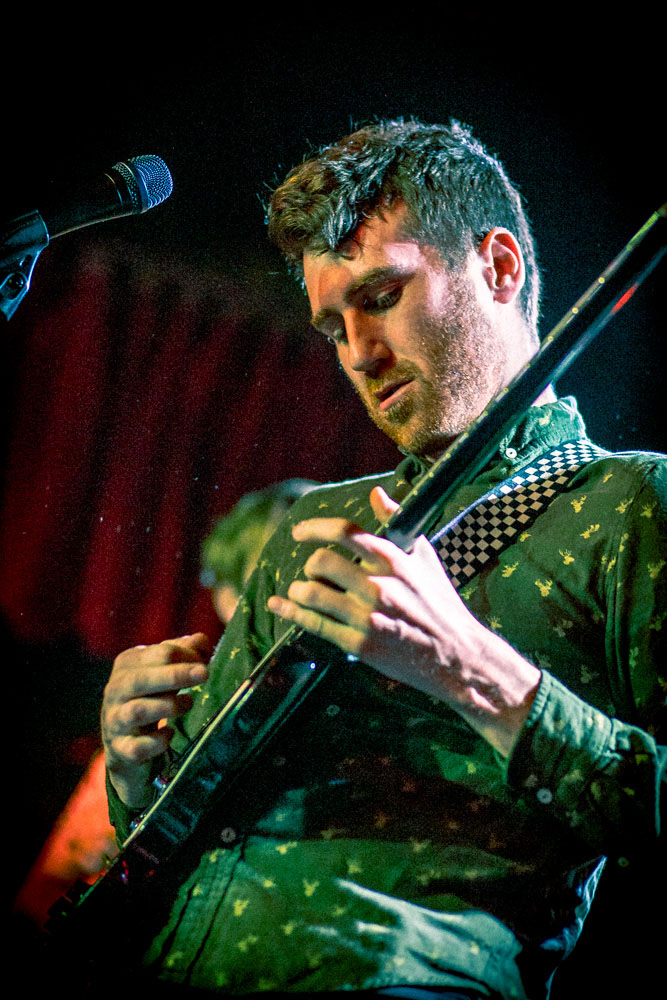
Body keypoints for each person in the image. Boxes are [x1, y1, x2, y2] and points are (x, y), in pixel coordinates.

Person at [99, 120, 665, 999]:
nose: (357, 355)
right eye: (332, 327)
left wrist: (470, 667)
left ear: (499, 268)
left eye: (383, 295)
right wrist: (140, 774)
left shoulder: (634, 505)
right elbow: (187, 830)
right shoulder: (314, 524)